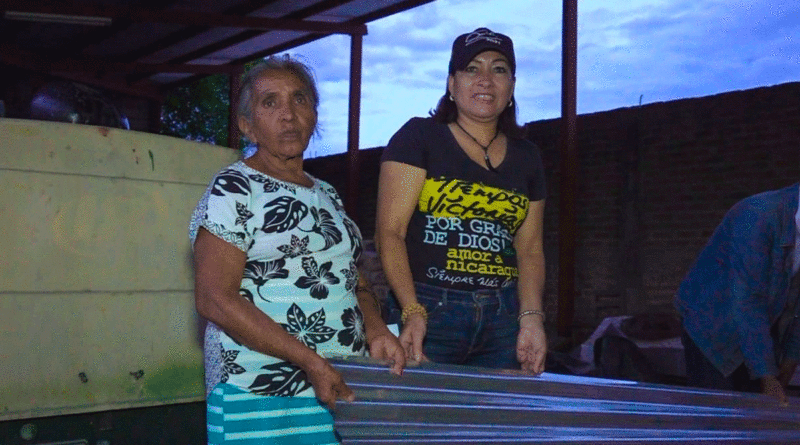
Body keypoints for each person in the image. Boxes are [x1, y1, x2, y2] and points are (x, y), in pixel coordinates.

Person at [190, 55, 405, 444]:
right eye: (269, 102)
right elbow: (213, 298)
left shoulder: (327, 194)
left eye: (300, 99)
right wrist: (310, 362)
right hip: (260, 389)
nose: (288, 114)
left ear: (314, 114)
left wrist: (375, 330)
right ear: (246, 125)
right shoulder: (234, 187)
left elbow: (351, 279)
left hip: (335, 381)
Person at [375, 28, 547, 374]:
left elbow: (529, 249)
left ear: (512, 85)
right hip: (428, 312)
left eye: (499, 69)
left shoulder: (528, 157)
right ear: (452, 84)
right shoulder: (420, 137)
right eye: (472, 68)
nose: (486, 79)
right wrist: (411, 310)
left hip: (503, 319)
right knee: (419, 420)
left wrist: (532, 319)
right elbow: (389, 233)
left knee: (497, 424)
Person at [675, 183, 800, 405]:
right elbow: (747, 301)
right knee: (717, 419)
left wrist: (788, 364)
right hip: (714, 329)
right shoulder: (757, 215)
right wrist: (767, 376)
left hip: (758, 332)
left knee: (755, 417)